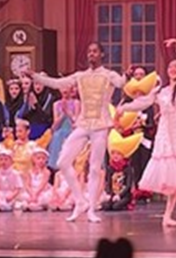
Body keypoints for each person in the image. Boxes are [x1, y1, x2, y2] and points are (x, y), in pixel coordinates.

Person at [25, 42, 125, 222]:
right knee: (63, 162)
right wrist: (35, 77)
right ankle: (80, 201)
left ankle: (92, 209)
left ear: (102, 54)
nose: (91, 54)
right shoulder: (80, 76)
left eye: (95, 51)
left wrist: (128, 76)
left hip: (101, 124)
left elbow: (121, 82)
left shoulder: (108, 75)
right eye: (89, 51)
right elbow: (57, 83)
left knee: (94, 168)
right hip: (84, 123)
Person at [120, 39, 176, 227]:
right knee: (174, 174)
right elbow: (143, 102)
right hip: (165, 132)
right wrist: (124, 108)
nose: (174, 69)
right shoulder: (161, 91)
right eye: (171, 66)